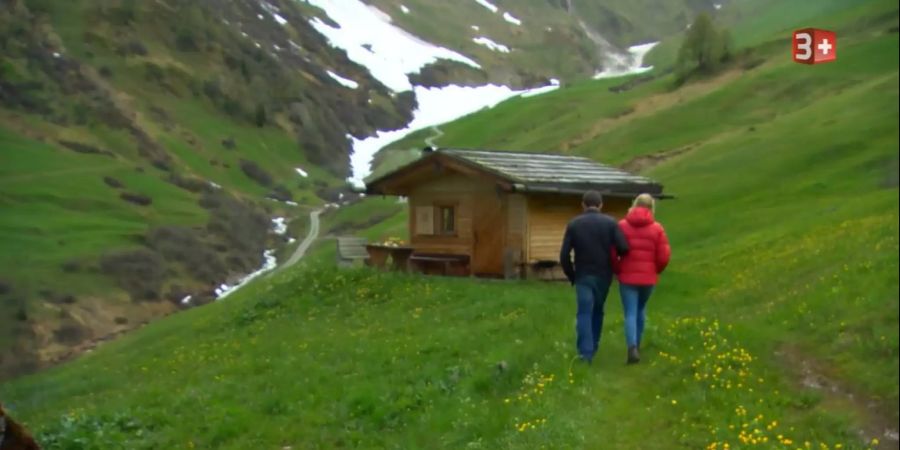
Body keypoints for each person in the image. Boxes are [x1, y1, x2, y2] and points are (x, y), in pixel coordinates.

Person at [560, 190, 630, 364]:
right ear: (601, 205)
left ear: (583, 205)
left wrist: (571, 275)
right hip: (603, 275)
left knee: (584, 312)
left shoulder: (574, 224)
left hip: (583, 275)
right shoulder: (610, 223)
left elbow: (564, 255)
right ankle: (594, 345)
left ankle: (585, 353)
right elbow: (623, 247)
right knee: (598, 311)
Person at [615, 193, 671, 364]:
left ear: (635, 204)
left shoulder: (622, 226)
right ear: (651, 207)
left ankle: (631, 347)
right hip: (648, 278)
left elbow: (613, 251)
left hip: (627, 277)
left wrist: (618, 270)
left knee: (630, 312)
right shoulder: (657, 228)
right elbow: (664, 256)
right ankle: (637, 346)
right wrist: (656, 270)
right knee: (641, 310)